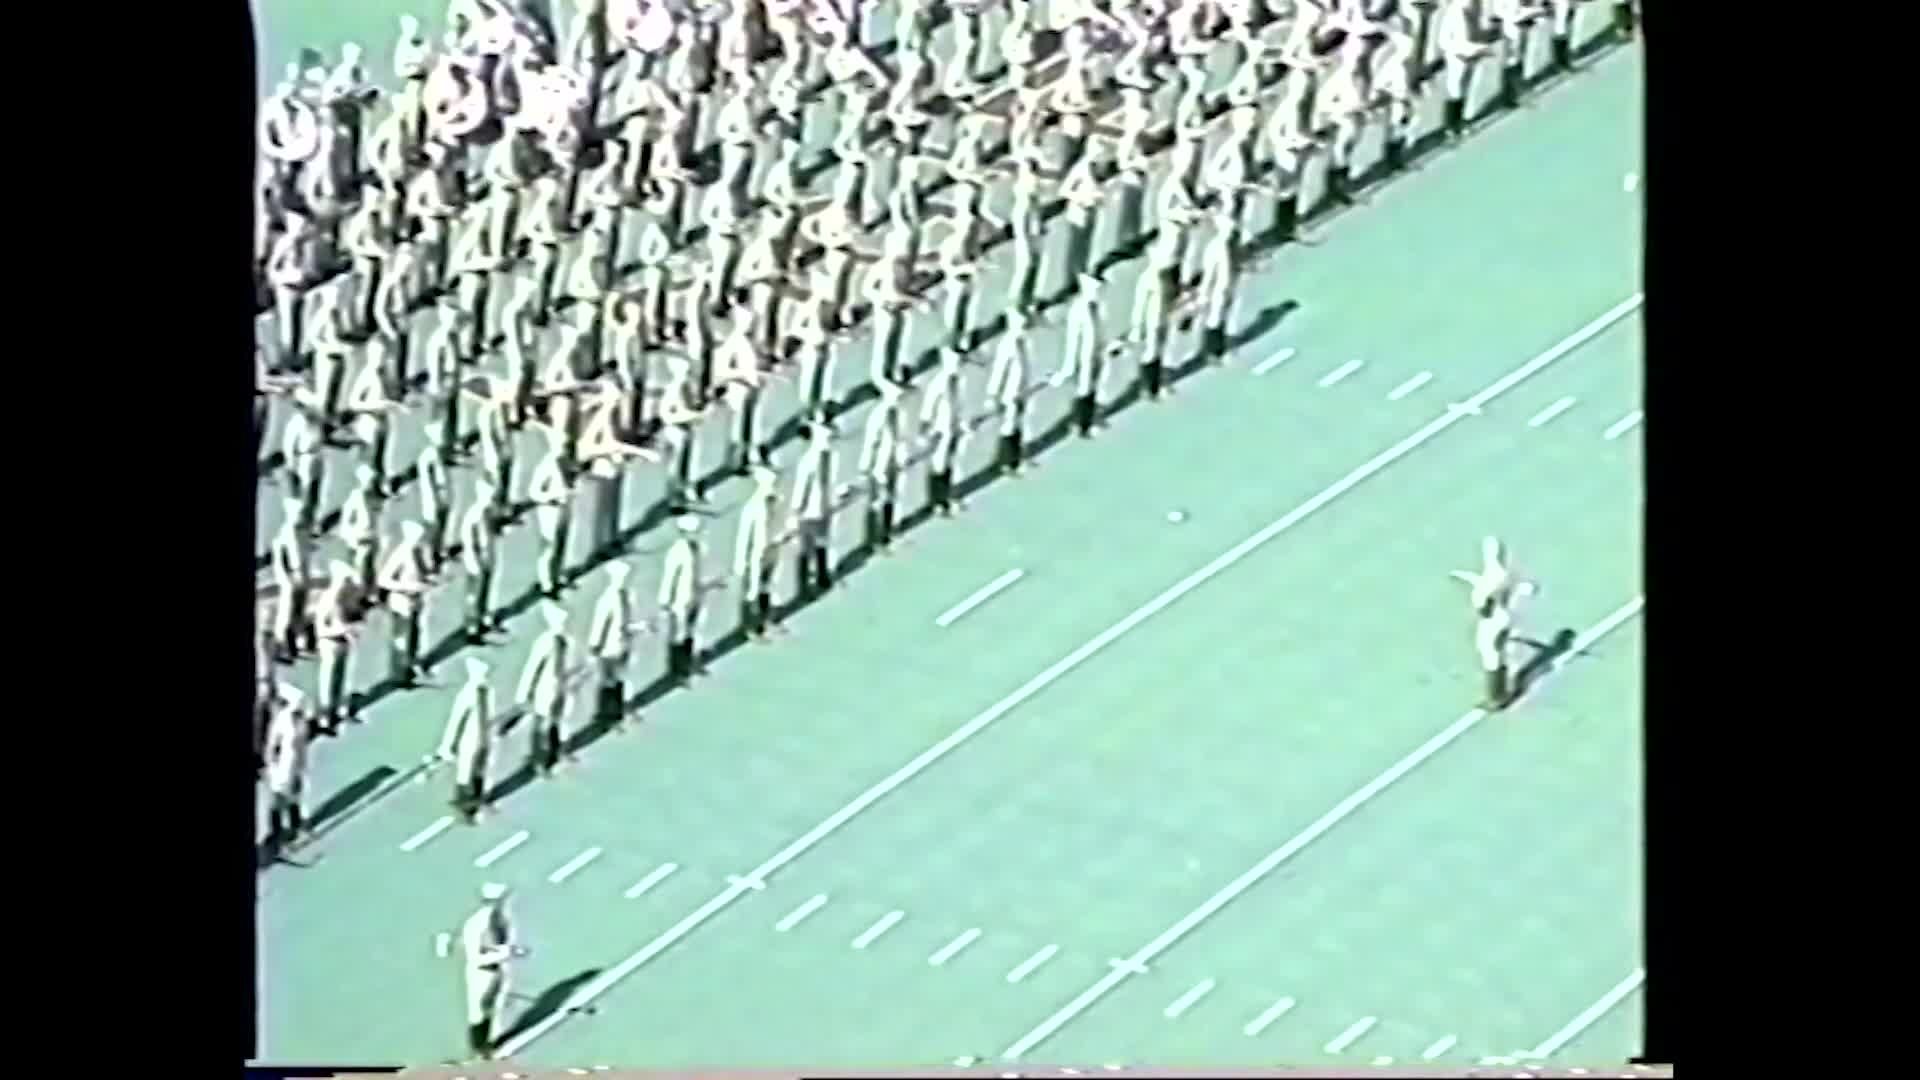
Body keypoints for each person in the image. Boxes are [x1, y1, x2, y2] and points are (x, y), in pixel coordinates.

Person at [459, 882, 524, 1060]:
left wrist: (510, 950)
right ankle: (478, 1048)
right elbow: (475, 958)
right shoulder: (476, 926)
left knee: (492, 1008)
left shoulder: (499, 919)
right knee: (478, 1011)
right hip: (481, 973)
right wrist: (503, 954)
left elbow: (503, 942)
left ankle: (487, 1045)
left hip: (497, 970)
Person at [517, 601, 575, 775]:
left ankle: (555, 753)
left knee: (556, 722)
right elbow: (532, 668)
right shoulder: (544, 642)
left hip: (560, 688)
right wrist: (524, 693)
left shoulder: (566, 641)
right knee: (541, 725)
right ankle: (539, 760)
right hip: (545, 689)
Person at [436, 657, 496, 822]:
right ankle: (465, 807)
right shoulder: (469, 693)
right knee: (466, 772)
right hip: (470, 738)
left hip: (484, 737)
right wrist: (449, 745)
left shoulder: (487, 691)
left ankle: (478, 799)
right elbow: (457, 719)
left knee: (480, 770)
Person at [1053, 274, 1112, 435]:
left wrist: (1105, 346)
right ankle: (1081, 423)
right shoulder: (1079, 309)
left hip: (1097, 351)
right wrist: (1069, 363)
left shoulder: (1097, 305)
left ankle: (1091, 415)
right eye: (1096, 289)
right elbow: (1073, 338)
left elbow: (1101, 328)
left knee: (1094, 384)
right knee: (1085, 386)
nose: (1099, 292)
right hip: (1085, 355)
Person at [378, 519, 434, 686]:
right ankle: (399, 674)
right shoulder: (401, 554)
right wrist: (407, 586)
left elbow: (423, 572)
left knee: (414, 634)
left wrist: (427, 582)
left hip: (415, 600)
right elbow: (383, 579)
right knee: (401, 639)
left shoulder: (417, 551)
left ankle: (411, 664)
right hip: (401, 602)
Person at [262, 683, 312, 853]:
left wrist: (302, 769)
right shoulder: (282, 721)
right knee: (277, 800)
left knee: (294, 798)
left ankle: (295, 828)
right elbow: (271, 747)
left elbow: (303, 747)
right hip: (281, 767)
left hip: (295, 765)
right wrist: (272, 769)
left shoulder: (301, 722)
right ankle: (275, 833)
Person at [857, 379, 907, 553]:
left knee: (890, 497)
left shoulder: (897, 412)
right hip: (879, 467)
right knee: (876, 502)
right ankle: (873, 539)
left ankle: (887, 532)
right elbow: (871, 442)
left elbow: (899, 437)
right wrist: (866, 466)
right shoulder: (879, 415)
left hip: (892, 463)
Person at [733, 462, 781, 640]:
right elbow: (744, 537)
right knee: (751, 591)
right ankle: (749, 627)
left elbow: (776, 523)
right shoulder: (752, 507)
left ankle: (765, 620)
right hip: (755, 555)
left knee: (766, 586)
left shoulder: (773, 502)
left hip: (770, 550)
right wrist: (740, 561)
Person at [789, 420, 836, 600]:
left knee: (806, 548)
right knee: (819, 543)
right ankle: (821, 577)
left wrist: (795, 509)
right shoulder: (824, 458)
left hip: (810, 511)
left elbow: (802, 487)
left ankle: (805, 587)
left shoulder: (808, 460)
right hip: (822, 508)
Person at [312, 559, 359, 731]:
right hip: (330, 644)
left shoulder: (343, 598)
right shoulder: (328, 600)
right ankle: (324, 716)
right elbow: (320, 629)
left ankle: (337, 711)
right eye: (346, 581)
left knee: (340, 679)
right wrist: (342, 631)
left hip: (342, 643)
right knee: (328, 682)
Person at [919, 347, 967, 515]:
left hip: (953, 428)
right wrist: (925, 428)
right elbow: (928, 407)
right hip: (940, 430)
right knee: (938, 465)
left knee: (949, 463)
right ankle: (936, 501)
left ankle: (946, 496)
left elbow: (958, 405)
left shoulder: (957, 381)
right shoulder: (939, 383)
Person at [588, 561, 637, 725]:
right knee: (607, 680)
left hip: (622, 644)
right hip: (608, 647)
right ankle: (604, 712)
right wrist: (595, 644)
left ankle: (617, 711)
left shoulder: (626, 597)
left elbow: (627, 621)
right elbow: (600, 622)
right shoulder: (608, 599)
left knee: (618, 678)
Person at [986, 310, 1034, 475]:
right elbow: (999, 370)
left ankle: (1017, 456)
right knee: (1009, 426)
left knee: (1019, 423)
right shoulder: (1008, 344)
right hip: (1010, 393)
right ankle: (1007, 461)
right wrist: (993, 394)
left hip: (1021, 390)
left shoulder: (1023, 341)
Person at [659, 515, 706, 681]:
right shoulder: (677, 552)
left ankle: (690, 663)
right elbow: (670, 577)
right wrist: (665, 600)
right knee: (677, 634)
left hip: (694, 594)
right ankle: (677, 670)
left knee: (691, 630)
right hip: (680, 598)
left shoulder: (697, 548)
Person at [459, 478, 501, 643]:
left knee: (484, 591)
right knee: (473, 595)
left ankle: (482, 619)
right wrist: (473, 561)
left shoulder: (487, 513)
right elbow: (468, 541)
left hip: (487, 557)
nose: (491, 500)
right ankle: (471, 627)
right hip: (476, 560)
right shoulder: (474, 516)